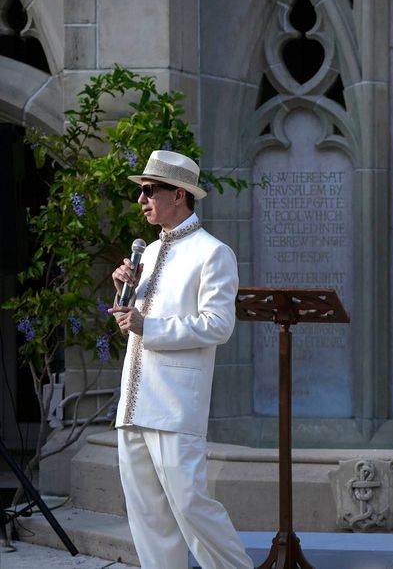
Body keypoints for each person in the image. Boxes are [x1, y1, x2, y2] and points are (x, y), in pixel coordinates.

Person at [109, 150, 253, 569]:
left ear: (179, 195)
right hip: (134, 402)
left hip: (174, 403)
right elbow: (133, 320)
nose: (141, 200)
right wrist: (123, 295)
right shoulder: (148, 253)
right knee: (148, 519)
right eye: (141, 191)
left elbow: (218, 325)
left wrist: (146, 325)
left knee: (192, 509)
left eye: (150, 190)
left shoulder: (213, 253)